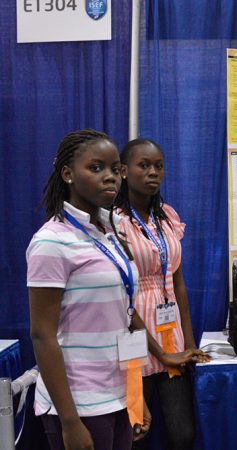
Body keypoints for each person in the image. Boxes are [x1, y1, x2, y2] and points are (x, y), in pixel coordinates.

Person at [27, 129, 151, 450]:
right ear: (68, 174)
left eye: (115, 169)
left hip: (119, 396)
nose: (110, 177)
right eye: (96, 168)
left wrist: (135, 395)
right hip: (79, 403)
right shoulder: (51, 241)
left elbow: (124, 321)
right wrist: (70, 421)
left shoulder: (111, 231)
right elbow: (42, 335)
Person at [114, 138, 211, 450]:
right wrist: (161, 353)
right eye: (144, 165)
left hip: (172, 335)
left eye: (158, 166)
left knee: (182, 434)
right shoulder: (114, 223)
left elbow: (177, 283)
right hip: (133, 336)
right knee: (136, 431)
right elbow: (121, 295)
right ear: (124, 171)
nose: (153, 172)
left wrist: (190, 342)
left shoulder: (166, 217)